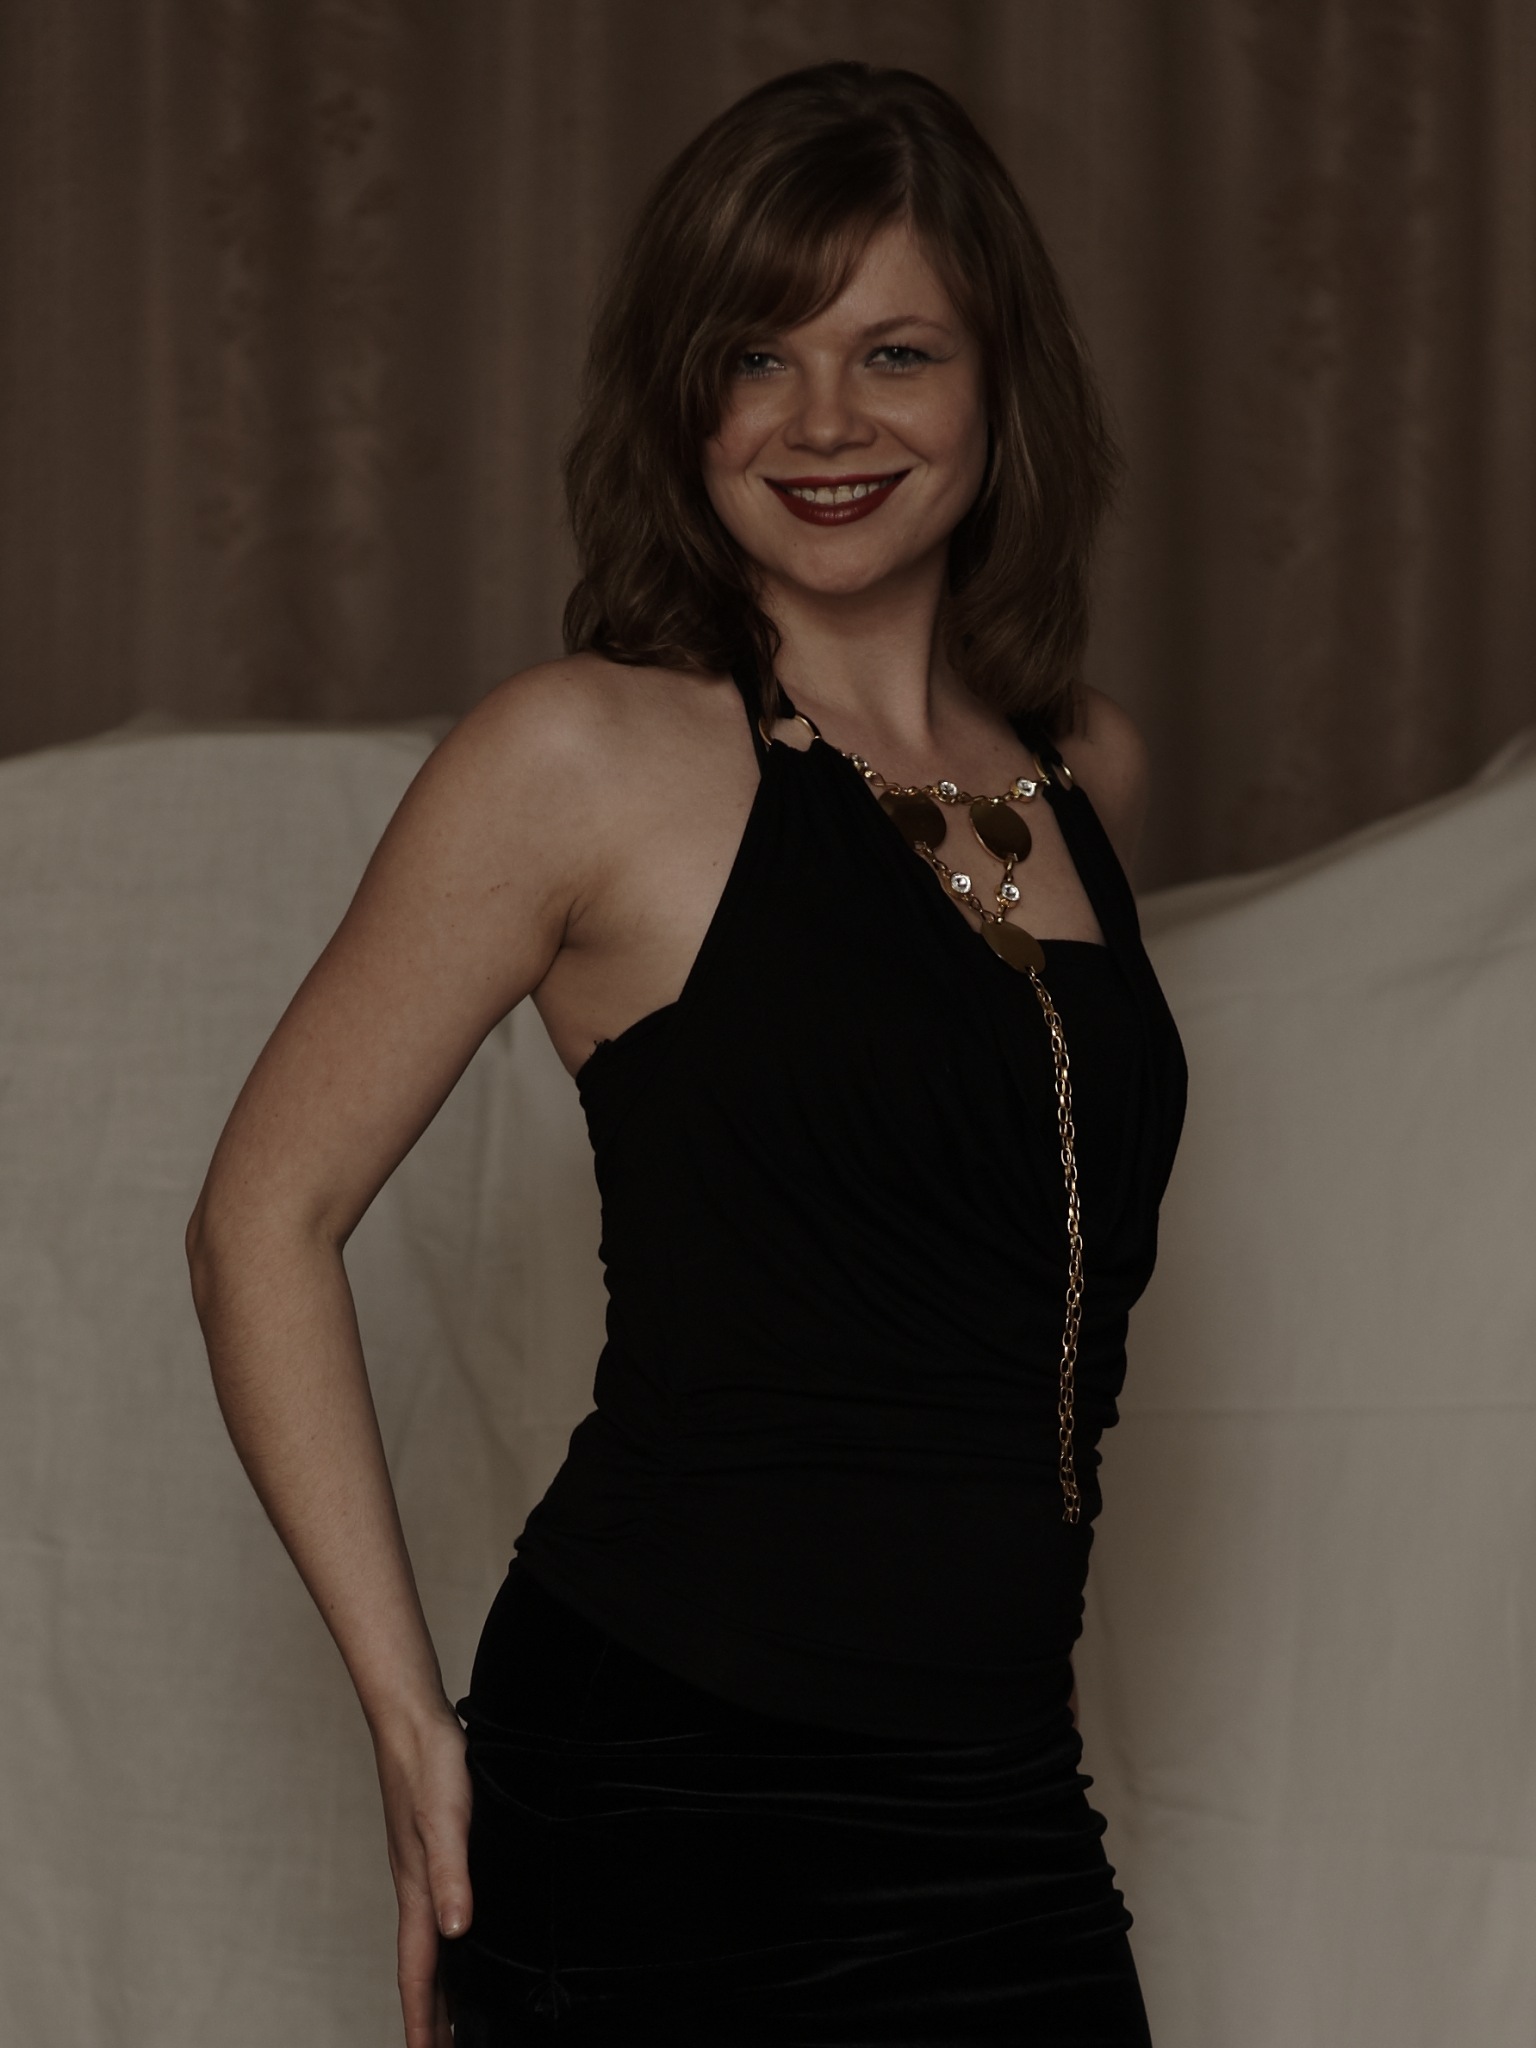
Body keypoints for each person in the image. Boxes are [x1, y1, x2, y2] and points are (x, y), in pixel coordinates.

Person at [187, 59, 1186, 2048]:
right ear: (682, 401)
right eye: (756, 356)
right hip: (659, 1797)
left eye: (894, 351)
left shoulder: (1086, 770)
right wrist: (408, 1718)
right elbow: (259, 1222)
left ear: (999, 382)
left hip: (999, 1803)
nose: (824, 422)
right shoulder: (581, 754)